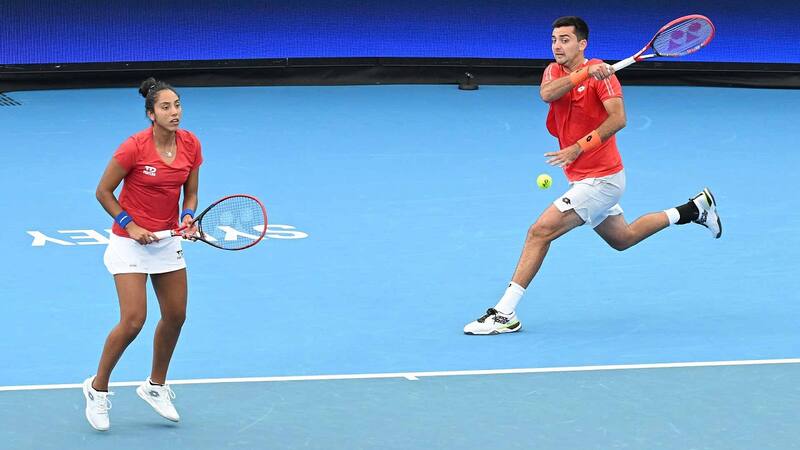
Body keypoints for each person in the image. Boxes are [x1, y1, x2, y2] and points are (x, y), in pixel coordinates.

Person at [464, 16, 721, 335]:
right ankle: (693, 209)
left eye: (565, 40)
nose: (557, 45)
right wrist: (584, 73)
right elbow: (547, 94)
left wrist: (577, 148)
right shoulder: (554, 70)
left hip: (601, 179)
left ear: (582, 44)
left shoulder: (606, 78)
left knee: (539, 232)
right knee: (622, 239)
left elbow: (619, 120)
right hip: (582, 176)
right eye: (554, 40)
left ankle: (504, 313)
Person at [83, 77, 203, 431]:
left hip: (166, 240)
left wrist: (186, 217)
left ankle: (155, 386)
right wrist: (131, 225)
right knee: (134, 319)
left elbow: (191, 193)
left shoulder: (191, 144)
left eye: (177, 105)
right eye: (165, 107)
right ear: (151, 114)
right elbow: (103, 191)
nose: (174, 112)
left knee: (176, 315)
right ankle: (97, 388)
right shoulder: (133, 147)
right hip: (129, 241)